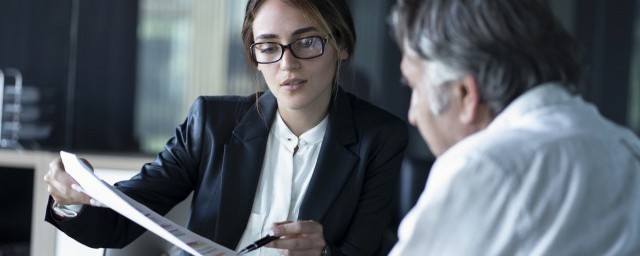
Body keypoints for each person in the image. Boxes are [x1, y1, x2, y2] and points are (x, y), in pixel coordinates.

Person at [43, 0, 408, 255]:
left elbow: (368, 248)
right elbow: (118, 224)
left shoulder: (380, 139)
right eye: (269, 47)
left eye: (307, 42)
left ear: (341, 44)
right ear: (256, 56)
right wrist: (69, 199)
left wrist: (323, 252)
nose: (287, 64)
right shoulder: (212, 124)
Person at [388, 0, 640, 255]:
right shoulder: (628, 151)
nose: (412, 115)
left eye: (415, 88)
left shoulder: (482, 166)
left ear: (465, 95)